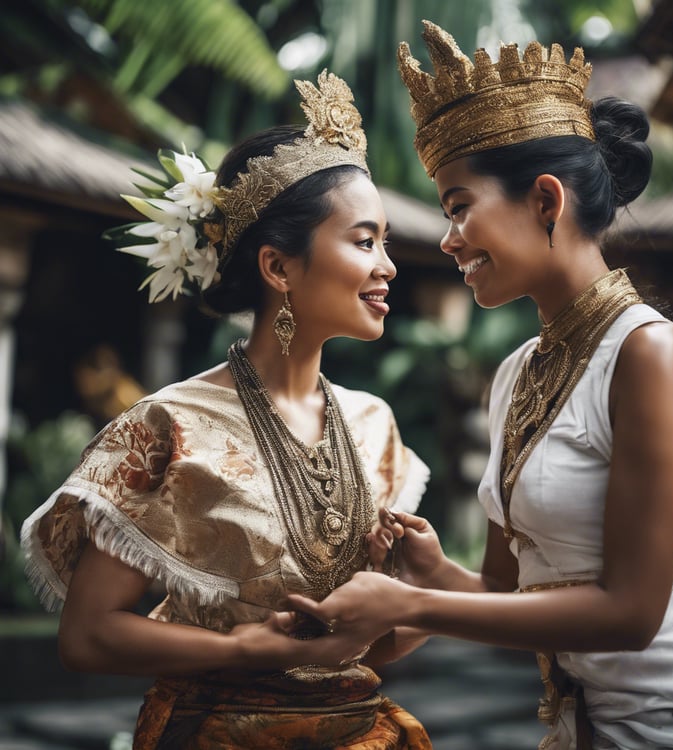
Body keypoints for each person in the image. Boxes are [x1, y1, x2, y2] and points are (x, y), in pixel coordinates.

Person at [287, 22, 673, 750]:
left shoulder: (649, 352)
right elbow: (508, 598)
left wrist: (409, 604)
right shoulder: (515, 374)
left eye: (458, 206)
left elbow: (631, 614)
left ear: (546, 200)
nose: (448, 237)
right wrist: (436, 573)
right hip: (588, 728)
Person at [20, 71, 432, 749]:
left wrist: (414, 592)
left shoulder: (373, 423)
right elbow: (87, 637)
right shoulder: (170, 426)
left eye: (385, 242)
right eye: (364, 242)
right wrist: (242, 649)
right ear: (278, 268)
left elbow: (368, 649)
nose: (387, 265)